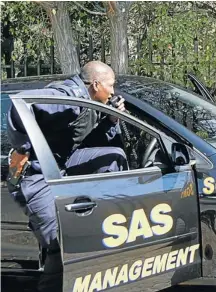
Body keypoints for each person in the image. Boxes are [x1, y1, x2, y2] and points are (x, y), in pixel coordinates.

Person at [6, 61, 128, 291]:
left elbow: (91, 141)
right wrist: (22, 148)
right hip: (34, 175)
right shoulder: (66, 97)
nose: (113, 92)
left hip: (60, 164)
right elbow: (20, 104)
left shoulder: (88, 101)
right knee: (59, 247)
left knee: (113, 156)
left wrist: (112, 119)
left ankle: (96, 222)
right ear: (96, 84)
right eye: (111, 86)